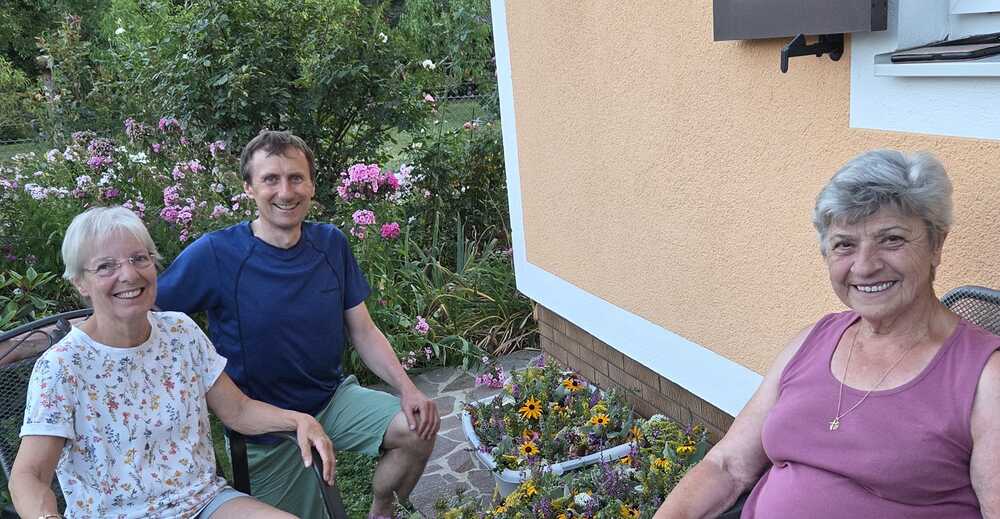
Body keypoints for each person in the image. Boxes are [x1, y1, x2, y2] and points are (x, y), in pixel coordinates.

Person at [654, 150, 999, 518]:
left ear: (936, 245)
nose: (865, 266)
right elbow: (726, 466)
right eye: (844, 244)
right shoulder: (812, 341)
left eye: (891, 239)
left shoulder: (986, 378)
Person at [155, 130, 439, 518]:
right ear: (249, 188)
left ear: (311, 186)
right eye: (271, 179)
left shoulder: (330, 244)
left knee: (418, 428)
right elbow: (148, 312)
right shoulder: (217, 254)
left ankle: (382, 510)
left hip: (331, 399)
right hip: (265, 428)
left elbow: (363, 330)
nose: (285, 192)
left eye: (295, 178)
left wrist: (407, 389)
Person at [9, 206, 335, 519]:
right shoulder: (62, 367)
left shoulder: (180, 331)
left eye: (139, 259)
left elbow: (238, 409)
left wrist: (298, 420)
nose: (129, 274)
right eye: (106, 266)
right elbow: (29, 475)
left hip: (203, 502)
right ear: (80, 282)